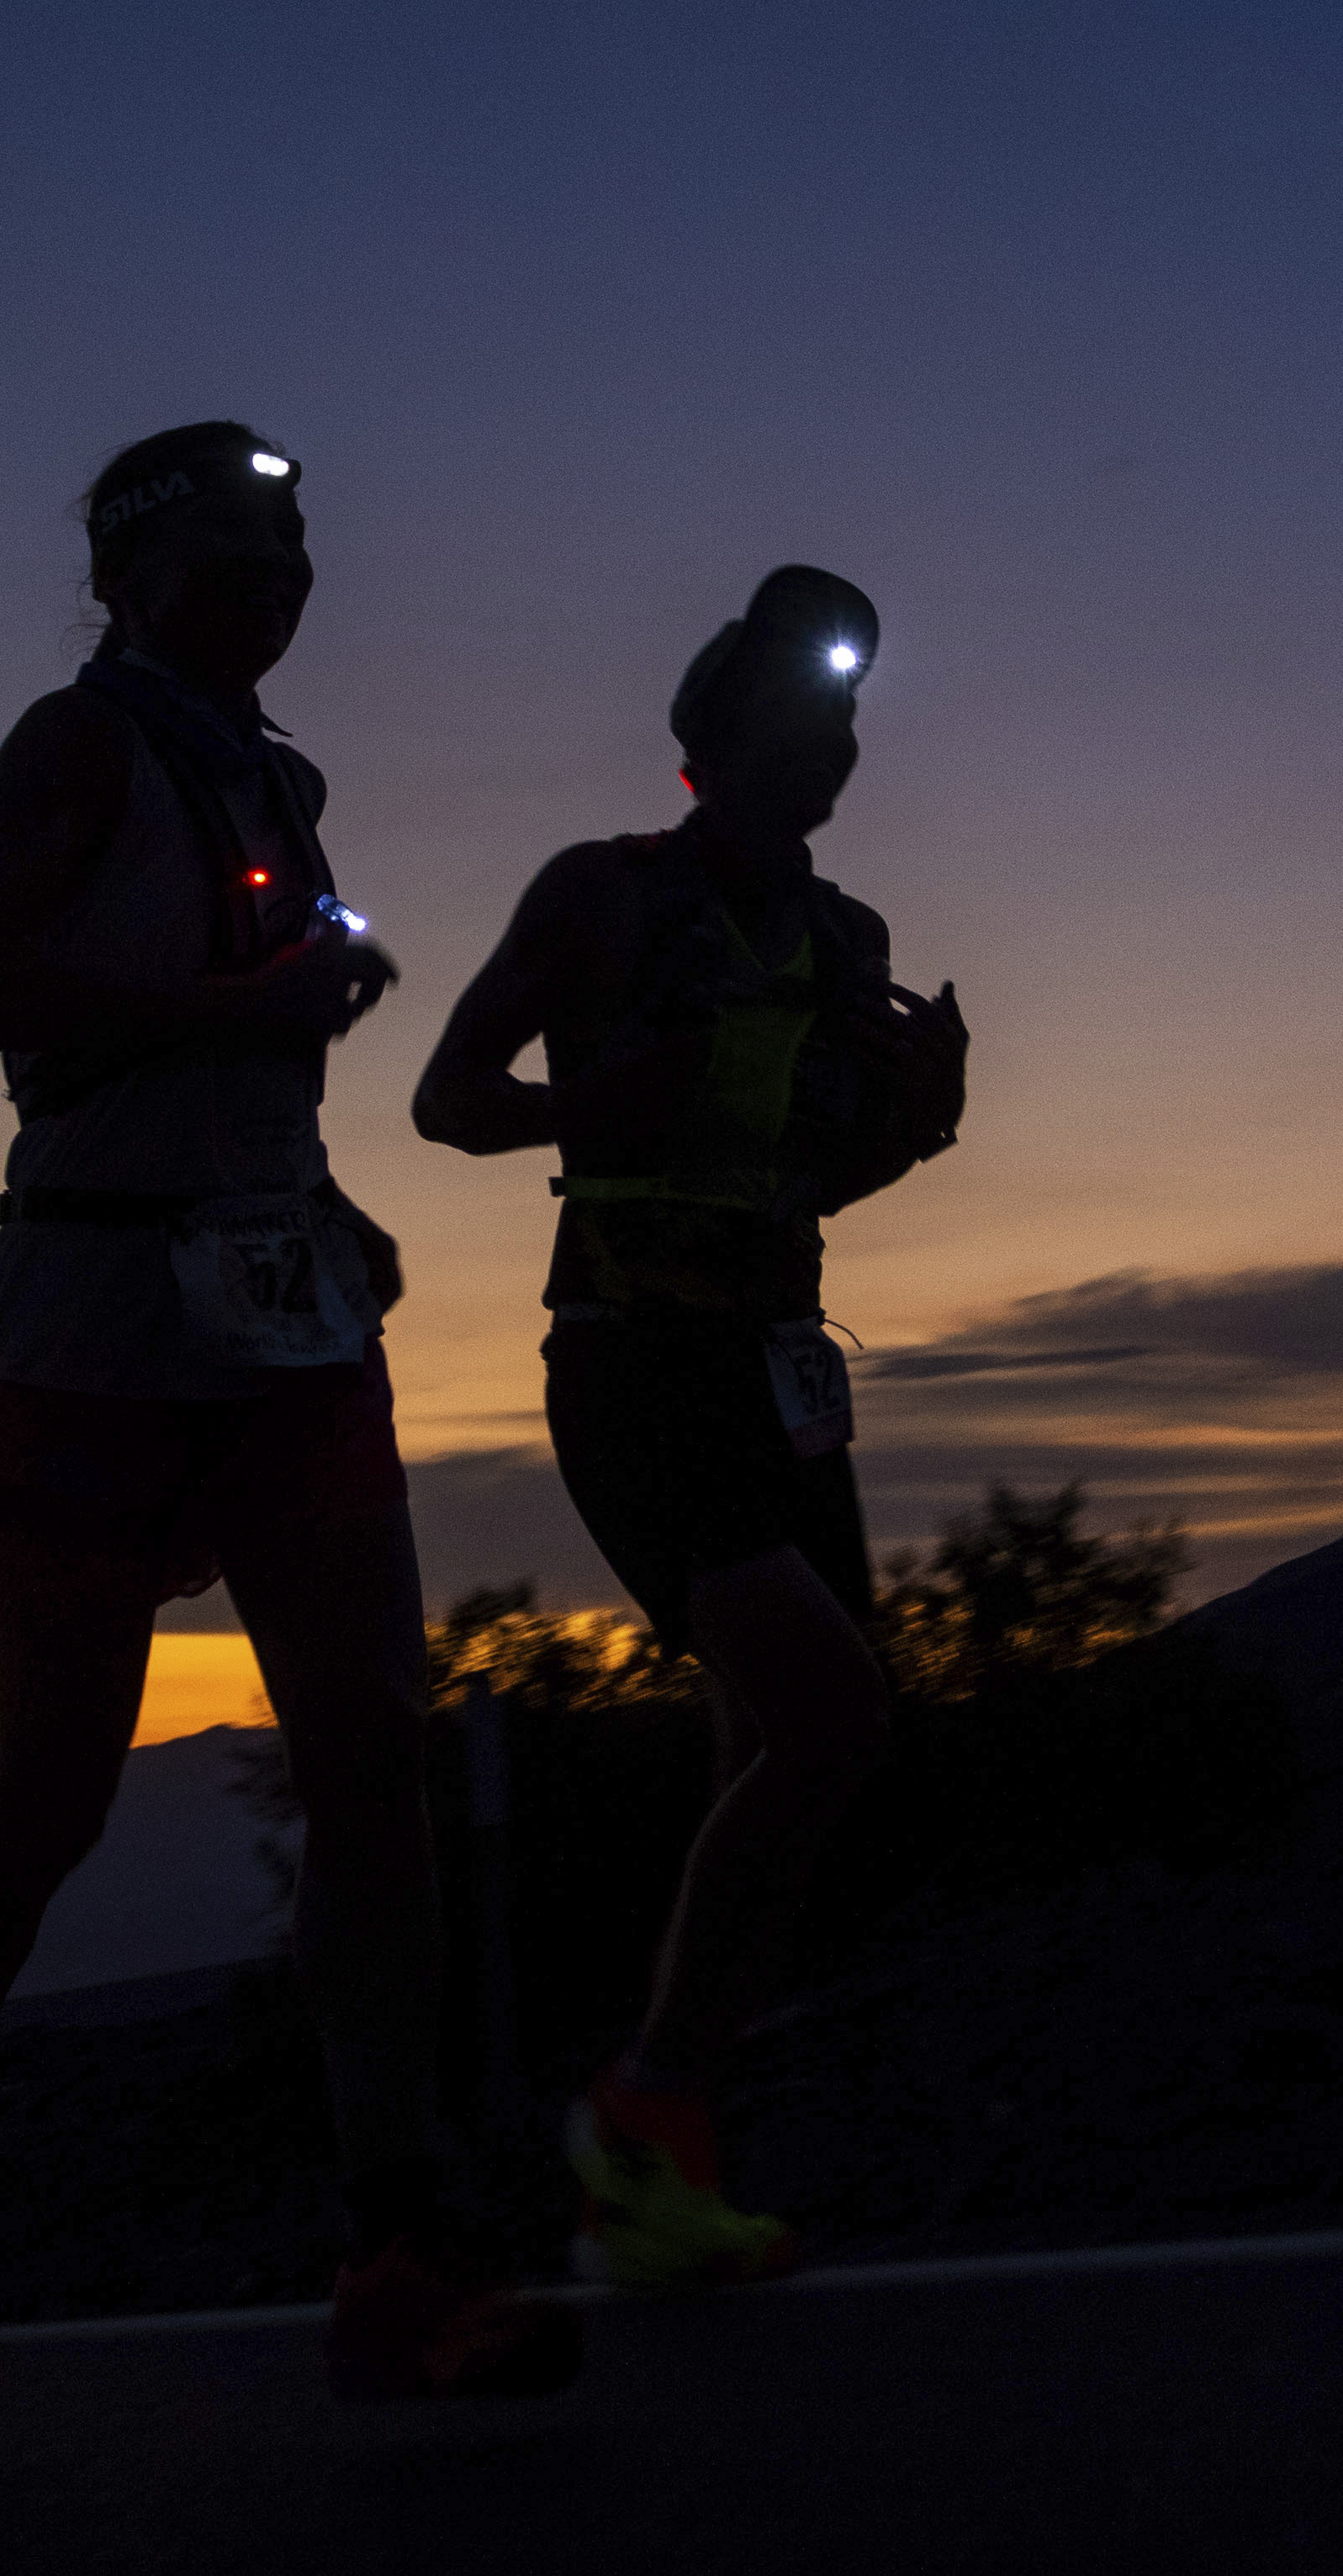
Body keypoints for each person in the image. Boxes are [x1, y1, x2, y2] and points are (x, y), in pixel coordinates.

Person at [0, 420, 578, 2433]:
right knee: (53, 1799)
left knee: (374, 1765)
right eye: (245, 546)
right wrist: (235, 1021)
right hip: (89, 1320)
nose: (286, 575)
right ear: (136, 574)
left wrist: (317, 1187)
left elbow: (241, 1052)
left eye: (299, 544)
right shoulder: (76, 745)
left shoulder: (281, 783)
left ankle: (396, 2250)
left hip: (282, 1319)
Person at [412, 563, 967, 2288]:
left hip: (779, 1373)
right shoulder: (604, 893)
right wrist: (602, 1099)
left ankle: (657, 2173)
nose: (836, 740)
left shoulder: (849, 940)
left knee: (775, 1753)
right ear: (711, 740)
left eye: (847, 715)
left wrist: (921, 1129)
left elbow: (813, 1180)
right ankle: (639, 2106)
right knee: (831, 1721)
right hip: (635, 1360)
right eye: (805, 713)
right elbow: (448, 1100)